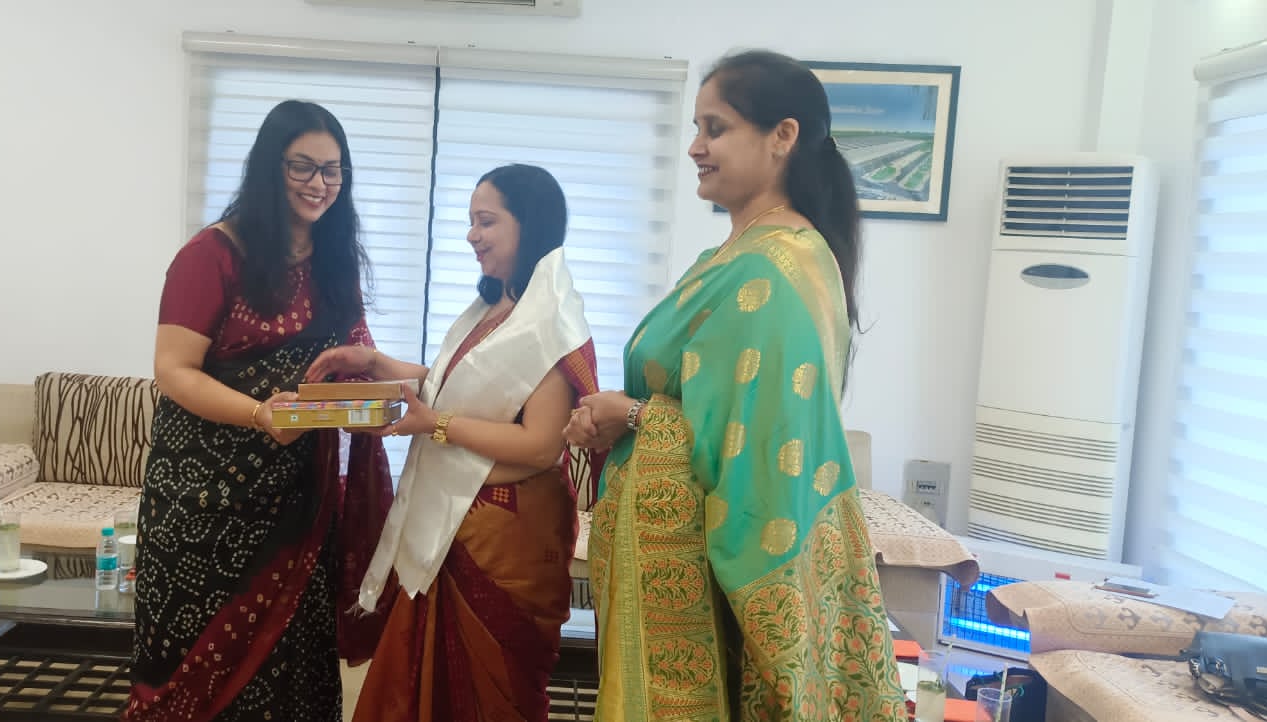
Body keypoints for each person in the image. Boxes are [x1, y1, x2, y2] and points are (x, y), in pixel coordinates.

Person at [565, 50, 908, 721]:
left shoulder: (775, 269)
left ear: (782, 136)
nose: (695, 147)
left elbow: (759, 458)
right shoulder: (732, 258)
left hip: (707, 585)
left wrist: (631, 415)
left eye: (715, 128)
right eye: (695, 128)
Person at [124, 99, 394, 722]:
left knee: (293, 668)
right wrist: (257, 414)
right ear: (270, 167)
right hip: (204, 502)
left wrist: (378, 402)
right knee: (192, 672)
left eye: (333, 170)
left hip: (299, 503)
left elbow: (354, 357)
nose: (319, 183)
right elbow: (173, 369)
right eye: (303, 166)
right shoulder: (211, 255)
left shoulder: (334, 262)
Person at [306, 164, 602, 722]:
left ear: (529, 224)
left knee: (493, 695)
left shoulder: (549, 323)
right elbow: (454, 386)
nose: (472, 235)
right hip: (453, 519)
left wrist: (434, 424)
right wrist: (375, 362)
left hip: (506, 537)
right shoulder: (496, 310)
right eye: (471, 222)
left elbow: (541, 445)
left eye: (486, 221)